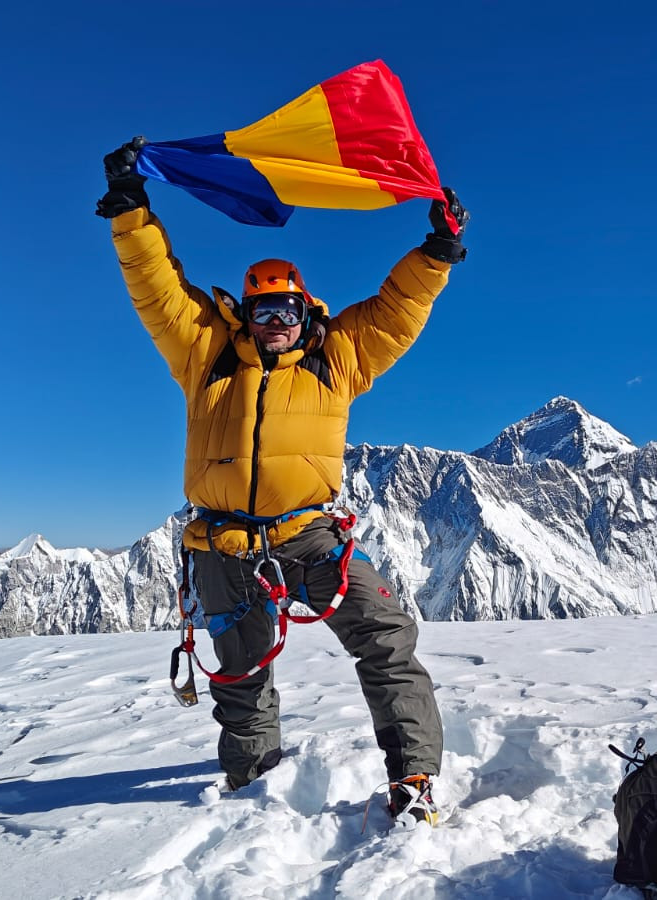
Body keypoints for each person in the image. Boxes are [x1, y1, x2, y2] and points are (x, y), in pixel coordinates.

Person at [96, 138, 467, 825]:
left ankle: (413, 775)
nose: (276, 324)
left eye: (287, 311)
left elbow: (397, 309)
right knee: (241, 676)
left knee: (386, 637)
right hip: (223, 545)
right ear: (244, 312)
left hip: (310, 536)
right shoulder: (204, 354)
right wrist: (130, 210)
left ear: (305, 312)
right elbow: (157, 290)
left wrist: (437, 252)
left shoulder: (338, 358)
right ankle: (251, 786)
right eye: (263, 311)